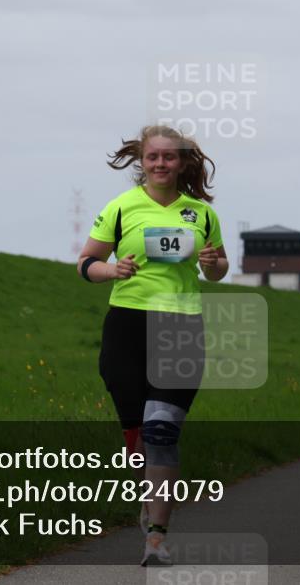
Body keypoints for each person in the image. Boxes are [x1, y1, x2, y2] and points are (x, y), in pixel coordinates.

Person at [77, 125, 228, 566]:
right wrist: (112, 270)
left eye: (169, 157)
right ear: (141, 162)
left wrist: (212, 263)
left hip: (181, 326)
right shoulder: (121, 208)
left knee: (162, 430)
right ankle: (150, 498)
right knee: (139, 438)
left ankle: (157, 538)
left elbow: (218, 268)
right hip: (127, 327)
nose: (160, 164)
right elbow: (86, 263)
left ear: (182, 163)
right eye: (152, 157)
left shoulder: (201, 214)